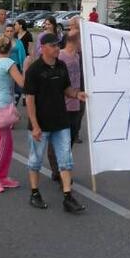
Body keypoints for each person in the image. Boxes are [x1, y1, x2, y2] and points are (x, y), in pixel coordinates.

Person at [23, 32, 88, 214]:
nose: (57, 48)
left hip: (61, 122)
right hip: (41, 124)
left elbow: (66, 88)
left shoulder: (61, 65)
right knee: (35, 160)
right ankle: (35, 193)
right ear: (43, 48)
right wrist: (35, 125)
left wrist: (76, 94)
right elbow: (29, 99)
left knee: (66, 160)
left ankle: (68, 197)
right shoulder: (34, 70)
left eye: (58, 45)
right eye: (53, 45)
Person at [0, 34, 26, 193]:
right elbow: (22, 83)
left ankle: (1, 176)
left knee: (6, 145)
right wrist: (27, 66)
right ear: (11, 48)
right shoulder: (9, 63)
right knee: (1, 146)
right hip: (1, 108)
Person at [47, 18, 84, 178]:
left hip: (76, 104)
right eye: (81, 39)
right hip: (60, 105)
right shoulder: (60, 57)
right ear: (74, 41)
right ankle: (59, 170)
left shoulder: (78, 57)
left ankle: (62, 165)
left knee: (70, 138)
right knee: (58, 139)